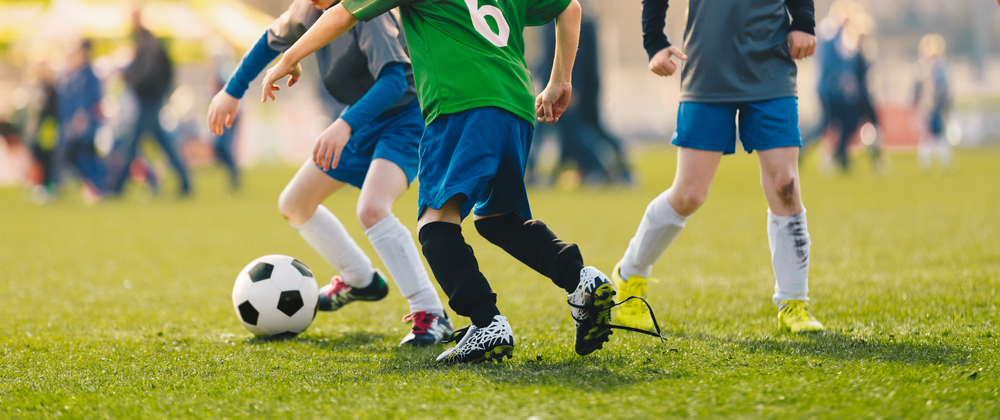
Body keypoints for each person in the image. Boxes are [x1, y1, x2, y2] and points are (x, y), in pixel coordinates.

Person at [260, 0, 652, 364]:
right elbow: (570, 7)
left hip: (460, 104)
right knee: (499, 220)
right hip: (515, 103)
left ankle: (487, 324)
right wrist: (560, 81)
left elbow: (342, 14)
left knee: (435, 224)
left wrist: (289, 58)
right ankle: (581, 280)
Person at [207, 0, 453, 346]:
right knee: (295, 204)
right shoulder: (307, 9)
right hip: (360, 117)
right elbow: (269, 40)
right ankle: (360, 280)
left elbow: (395, 81)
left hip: (405, 117)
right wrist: (231, 91)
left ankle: (431, 313)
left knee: (373, 208)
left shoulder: (368, 11)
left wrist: (344, 124)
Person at [614, 0, 825, 334]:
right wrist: (654, 40)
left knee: (785, 183)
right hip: (707, 66)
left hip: (771, 65)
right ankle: (630, 275)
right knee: (689, 194)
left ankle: (793, 303)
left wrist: (803, 20)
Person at [527, 2, 632, 186]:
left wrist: (570, 84)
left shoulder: (565, 17)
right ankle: (611, 167)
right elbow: (548, 56)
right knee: (570, 130)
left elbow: (571, 55)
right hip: (563, 88)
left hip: (560, 90)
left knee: (560, 130)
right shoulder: (574, 19)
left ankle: (601, 167)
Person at [110, 9, 191, 197]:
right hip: (152, 100)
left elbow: (145, 73)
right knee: (162, 143)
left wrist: (128, 77)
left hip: (148, 100)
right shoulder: (148, 42)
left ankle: (117, 188)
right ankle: (185, 183)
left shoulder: (146, 43)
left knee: (132, 144)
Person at [57, 39, 108, 196]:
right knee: (78, 156)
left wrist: (82, 118)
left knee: (83, 155)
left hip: (84, 125)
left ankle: (97, 186)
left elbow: (91, 100)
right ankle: (94, 185)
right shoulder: (74, 75)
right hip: (73, 123)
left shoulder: (89, 75)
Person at [913, 33, 951, 172]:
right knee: (930, 135)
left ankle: (943, 162)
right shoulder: (922, 67)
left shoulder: (942, 68)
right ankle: (927, 163)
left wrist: (947, 103)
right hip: (928, 106)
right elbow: (917, 88)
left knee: (938, 134)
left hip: (938, 106)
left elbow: (946, 88)